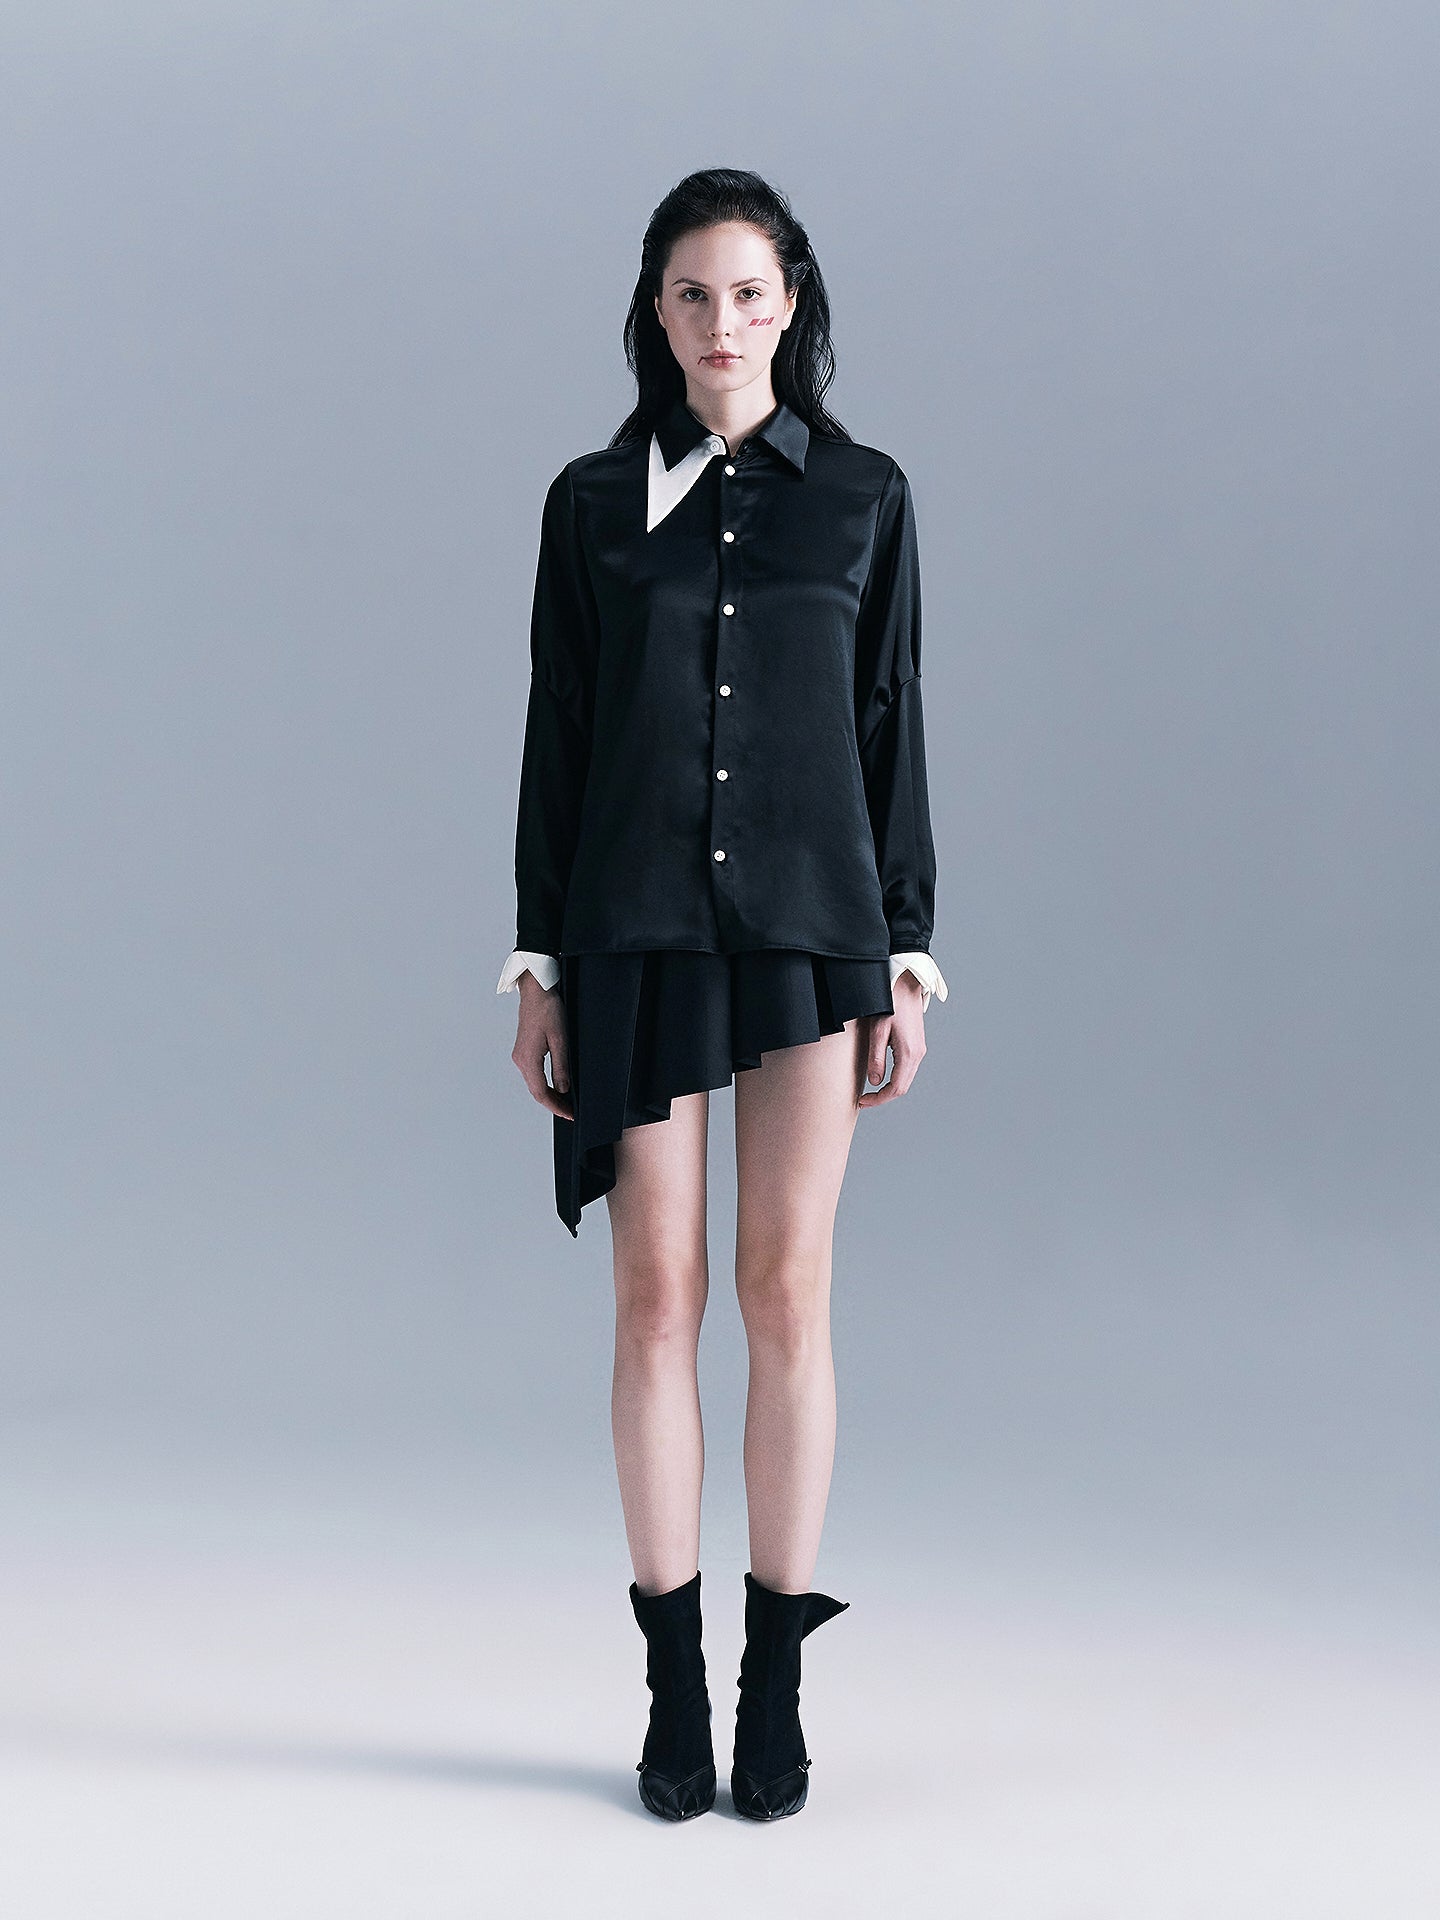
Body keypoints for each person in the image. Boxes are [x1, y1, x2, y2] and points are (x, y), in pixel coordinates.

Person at [497, 168, 947, 1822]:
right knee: (654, 1296)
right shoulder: (591, 506)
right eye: (692, 293)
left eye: (749, 292)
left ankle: (776, 1688)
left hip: (815, 929)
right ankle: (672, 1688)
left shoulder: (867, 498)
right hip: (631, 927)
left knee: (786, 1292)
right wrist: (538, 963)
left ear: (792, 306)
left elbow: (890, 717)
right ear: (657, 312)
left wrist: (907, 953)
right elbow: (559, 733)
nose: (722, 322)